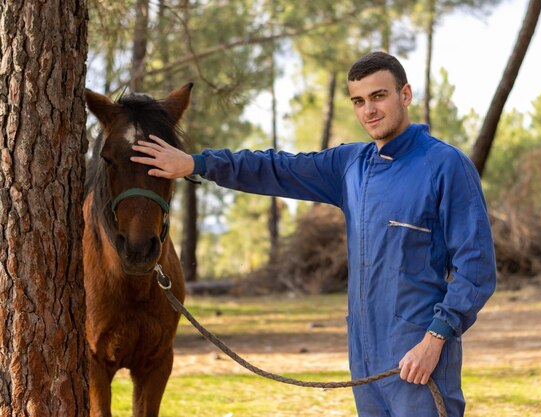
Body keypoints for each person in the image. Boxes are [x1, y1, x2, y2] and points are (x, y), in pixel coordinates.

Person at [131, 51, 497, 417]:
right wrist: (198, 163)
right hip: (365, 361)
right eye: (358, 101)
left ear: (405, 95)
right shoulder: (350, 166)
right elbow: (277, 168)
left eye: (379, 96)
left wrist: (434, 340)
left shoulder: (445, 166)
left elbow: (476, 269)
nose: (368, 110)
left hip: (420, 359)